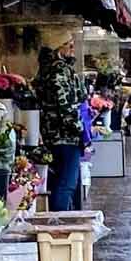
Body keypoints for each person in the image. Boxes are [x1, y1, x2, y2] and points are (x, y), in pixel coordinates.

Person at [37, 43, 84, 210]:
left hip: (53, 134)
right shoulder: (59, 71)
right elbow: (65, 106)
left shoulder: (46, 69)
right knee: (66, 184)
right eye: (69, 45)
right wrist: (81, 131)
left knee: (60, 182)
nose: (73, 48)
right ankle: (61, 223)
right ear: (58, 48)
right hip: (64, 136)